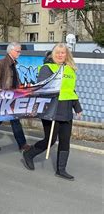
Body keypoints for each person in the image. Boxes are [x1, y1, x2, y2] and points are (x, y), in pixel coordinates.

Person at [22, 43, 82, 181]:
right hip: (52, 110)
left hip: (66, 109)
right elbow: (40, 89)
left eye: (63, 53)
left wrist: (77, 107)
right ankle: (29, 154)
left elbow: (71, 91)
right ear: (53, 54)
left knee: (65, 140)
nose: (60, 55)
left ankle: (61, 170)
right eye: (58, 53)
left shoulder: (70, 70)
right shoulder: (47, 68)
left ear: (67, 55)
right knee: (50, 140)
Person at [0, 42, 30, 152]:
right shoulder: (1, 63)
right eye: (18, 51)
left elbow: (14, 81)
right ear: (11, 51)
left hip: (11, 98)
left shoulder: (13, 64)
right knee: (7, 120)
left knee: (5, 120)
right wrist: (2, 95)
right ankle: (22, 144)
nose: (19, 53)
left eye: (20, 51)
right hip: (3, 98)